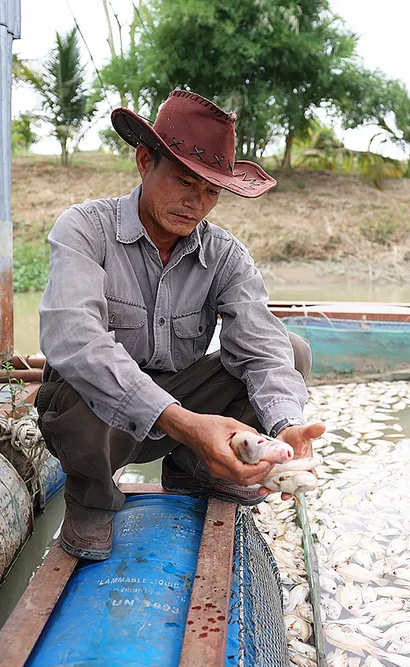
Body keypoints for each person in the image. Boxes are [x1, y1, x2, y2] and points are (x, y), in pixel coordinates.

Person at [35, 90, 325, 560]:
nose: (197, 203)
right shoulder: (85, 228)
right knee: (80, 381)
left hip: (183, 408)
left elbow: (263, 345)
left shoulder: (224, 254)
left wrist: (287, 426)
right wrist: (186, 423)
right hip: (102, 422)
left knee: (290, 350)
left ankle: (198, 471)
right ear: (145, 161)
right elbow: (74, 340)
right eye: (184, 182)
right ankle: (89, 498)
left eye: (211, 190)